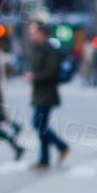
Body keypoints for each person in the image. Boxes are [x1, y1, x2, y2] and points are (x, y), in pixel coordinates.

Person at [29, 20, 69, 169]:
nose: (31, 36)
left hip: (47, 94)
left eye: (33, 33)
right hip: (39, 93)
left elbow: (52, 72)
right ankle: (44, 159)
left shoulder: (50, 49)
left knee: (39, 123)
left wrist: (34, 77)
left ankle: (61, 146)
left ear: (41, 33)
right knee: (41, 125)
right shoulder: (38, 48)